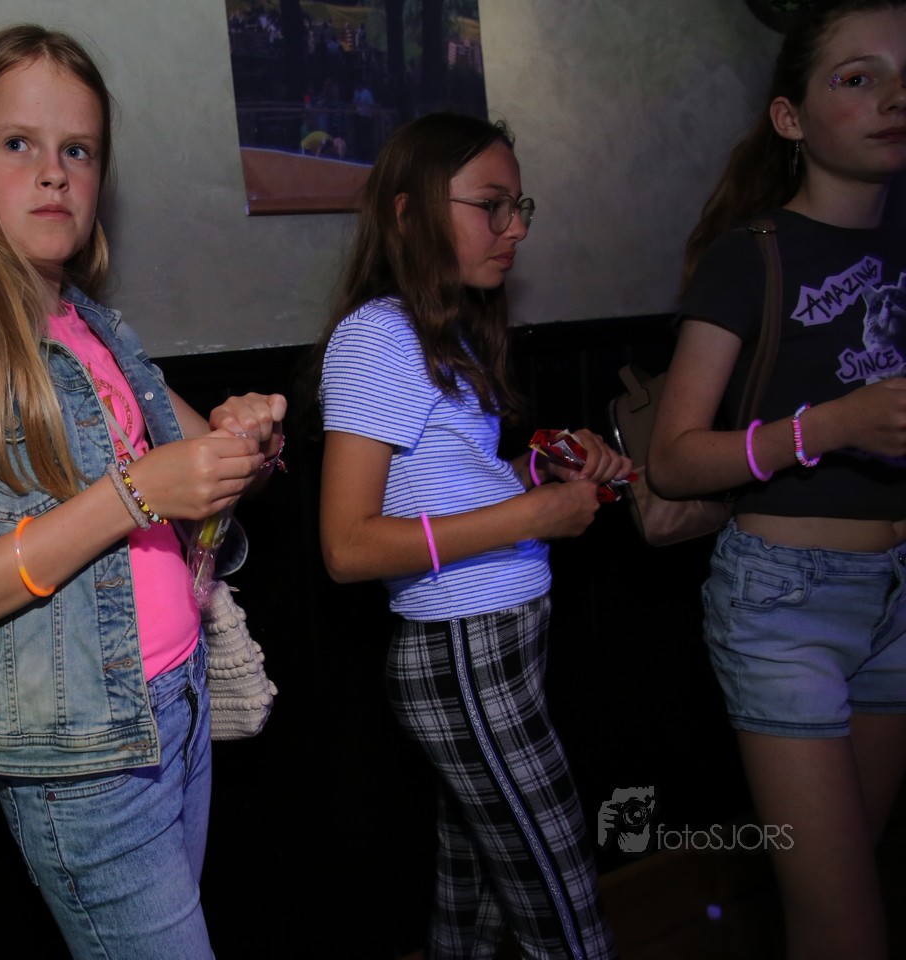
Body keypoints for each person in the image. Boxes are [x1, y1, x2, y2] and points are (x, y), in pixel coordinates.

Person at [0, 25, 286, 960]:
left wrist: (245, 440)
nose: (54, 173)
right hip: (83, 755)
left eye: (78, 150)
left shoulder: (92, 324)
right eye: (19, 143)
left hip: (176, 702)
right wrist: (133, 493)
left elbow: (203, 477)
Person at [313, 113, 629, 959]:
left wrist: (537, 474)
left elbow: (444, 495)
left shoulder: (441, 330)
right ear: (409, 212)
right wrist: (532, 517)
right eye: (492, 205)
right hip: (464, 654)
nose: (515, 227)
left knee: (475, 911)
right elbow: (348, 546)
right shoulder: (378, 335)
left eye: (519, 206)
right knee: (565, 918)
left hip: (492, 647)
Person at [649, 3, 906, 957]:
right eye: (857, 78)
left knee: (850, 887)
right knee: (847, 925)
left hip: (899, 598)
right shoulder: (749, 255)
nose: (894, 97)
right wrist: (830, 425)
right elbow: (675, 458)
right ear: (790, 118)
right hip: (787, 602)